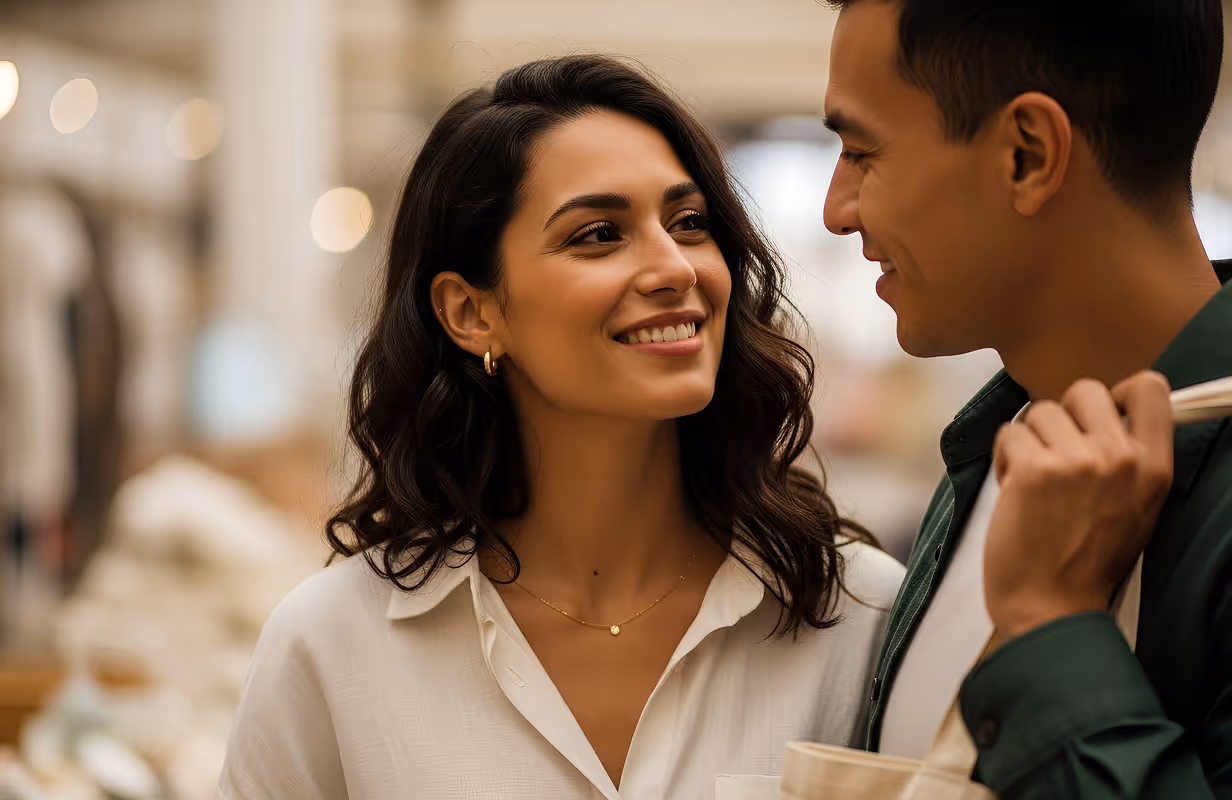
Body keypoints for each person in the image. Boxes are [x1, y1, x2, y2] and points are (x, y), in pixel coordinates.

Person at [214, 54, 908, 800]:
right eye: (599, 235)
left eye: (690, 222)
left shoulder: (855, 615)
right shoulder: (331, 646)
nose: (675, 266)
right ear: (471, 313)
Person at [822, 0, 1232, 796]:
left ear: (1027, 154)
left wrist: (1051, 621)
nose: (835, 210)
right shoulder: (988, 451)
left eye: (862, 152)